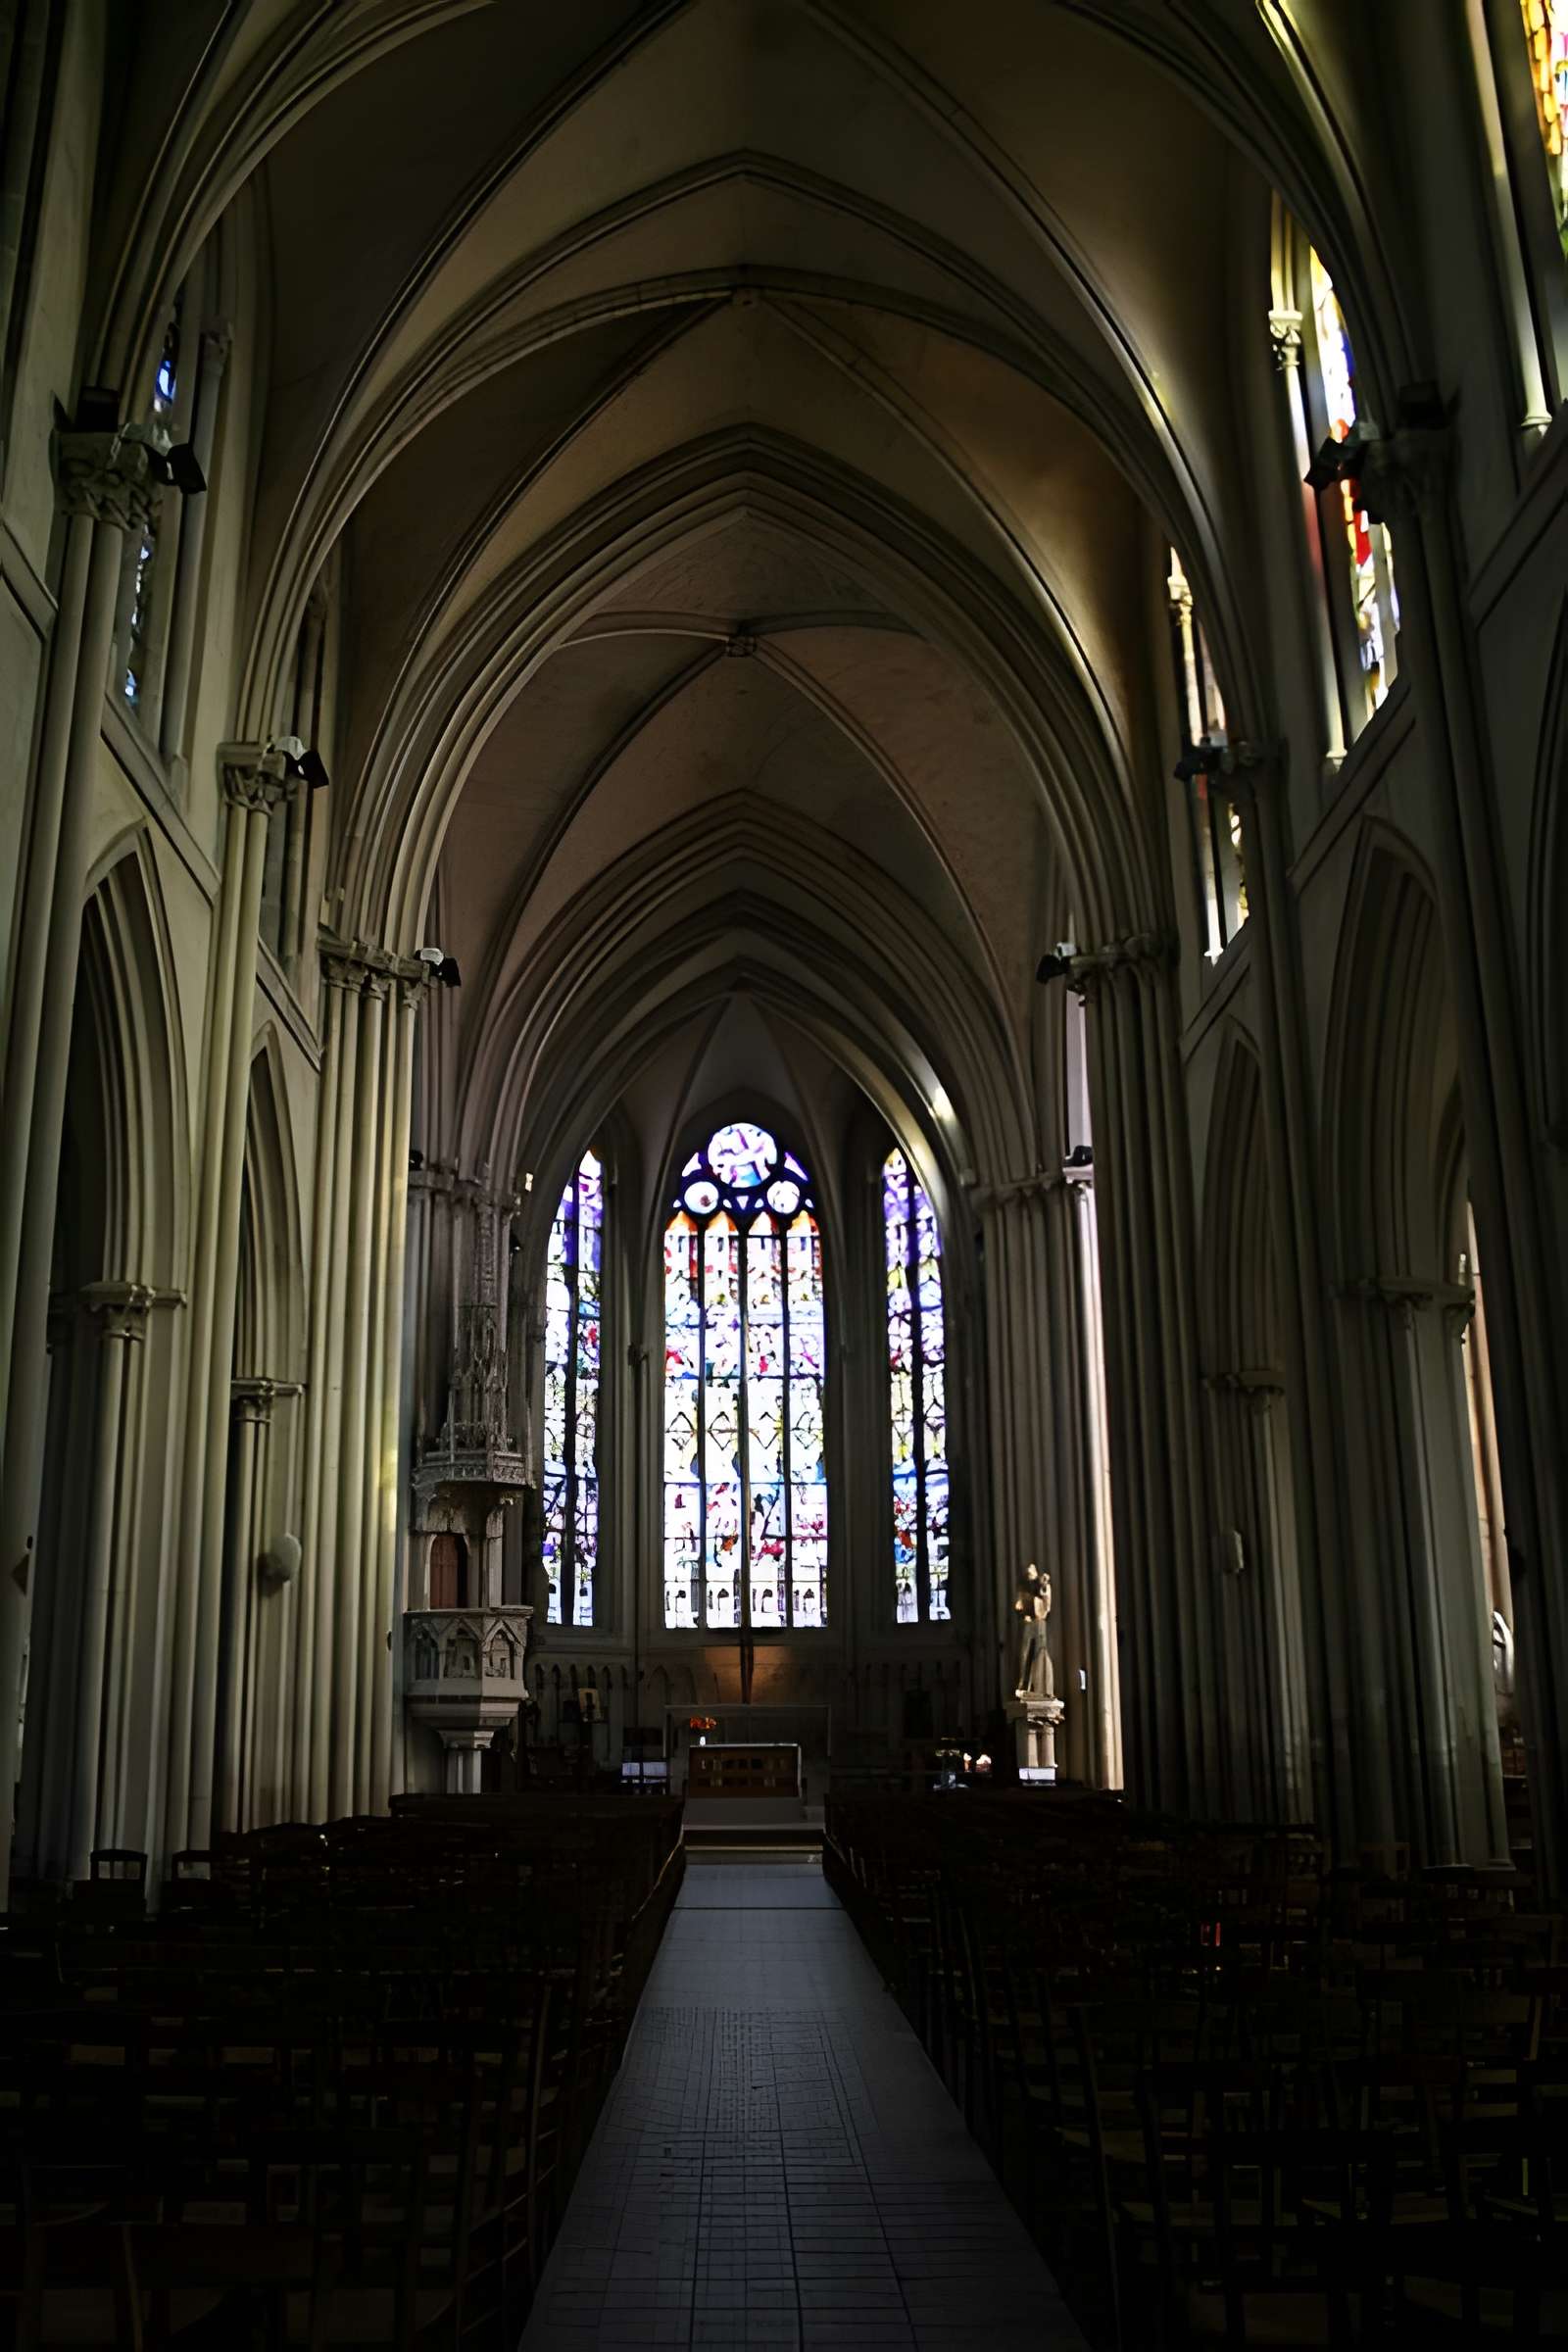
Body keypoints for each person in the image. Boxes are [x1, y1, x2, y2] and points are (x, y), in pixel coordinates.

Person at [1013, 1562, 1054, 1698]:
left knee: (1040, 1653)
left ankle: (1041, 1688)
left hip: (1040, 1622)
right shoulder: (1023, 1591)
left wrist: (1042, 1587)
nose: (1030, 1575)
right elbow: (1018, 1605)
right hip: (1028, 1623)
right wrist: (1022, 1613)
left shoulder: (1043, 1586)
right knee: (1025, 1655)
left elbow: (1046, 1604)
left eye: (1032, 1572)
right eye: (1028, 1573)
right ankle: (1025, 1685)